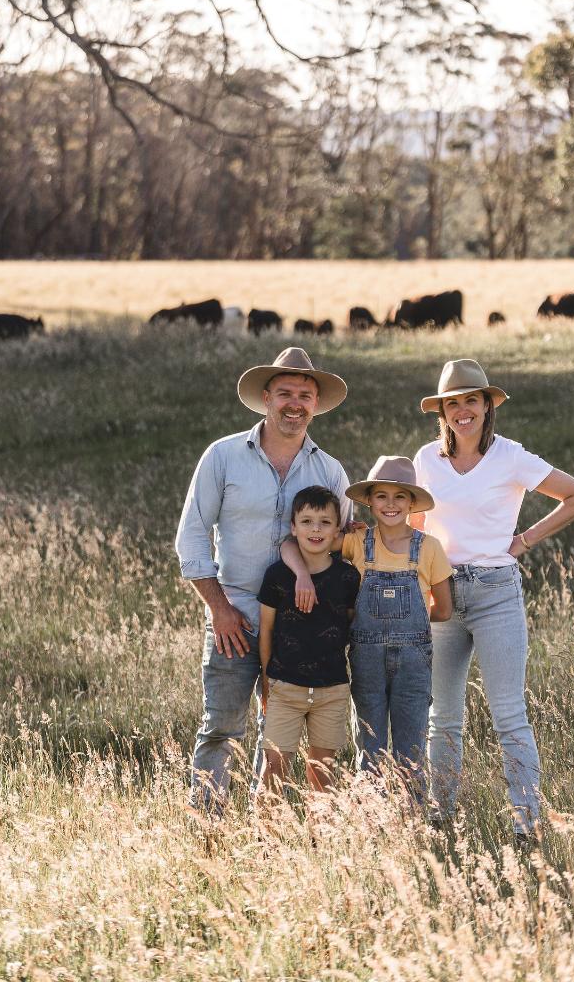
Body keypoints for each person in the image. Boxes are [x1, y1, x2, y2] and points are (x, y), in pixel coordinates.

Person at [412, 358, 574, 840]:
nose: (463, 411)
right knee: (443, 717)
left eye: (471, 400)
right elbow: (416, 526)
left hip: (496, 592)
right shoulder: (426, 459)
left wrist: (527, 538)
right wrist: (415, 582)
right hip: (442, 593)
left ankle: (527, 822)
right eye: (453, 403)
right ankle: (441, 817)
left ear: (487, 405)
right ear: (443, 411)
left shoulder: (511, 457)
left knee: (509, 714)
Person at [176, 347, 350, 811]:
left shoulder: (329, 471)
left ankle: (264, 830)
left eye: (305, 395)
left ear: (315, 404)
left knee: (276, 733)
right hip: (235, 614)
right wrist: (219, 609)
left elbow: (343, 543)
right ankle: (206, 825)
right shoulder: (224, 456)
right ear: (267, 398)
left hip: (301, 621)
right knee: (221, 726)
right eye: (286, 394)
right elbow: (191, 535)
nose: (295, 404)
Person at [283, 457, 453, 795]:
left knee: (412, 752)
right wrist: (307, 568)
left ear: (411, 502)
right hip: (367, 661)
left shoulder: (429, 547)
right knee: (370, 751)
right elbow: (296, 542)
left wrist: (412, 628)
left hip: (413, 663)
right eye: (381, 497)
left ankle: (411, 829)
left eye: (400, 497)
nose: (390, 505)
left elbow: (444, 610)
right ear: (370, 500)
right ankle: (374, 830)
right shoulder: (358, 543)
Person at [258, 486, 360, 793]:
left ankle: (323, 840)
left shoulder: (348, 577)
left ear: (337, 530)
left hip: (332, 689)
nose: (315, 529)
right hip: (285, 687)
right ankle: (268, 840)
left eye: (325, 522)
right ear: (293, 527)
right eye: (307, 521)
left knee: (322, 775)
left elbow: (352, 626)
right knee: (274, 770)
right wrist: (266, 682)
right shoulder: (277, 575)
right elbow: (266, 630)